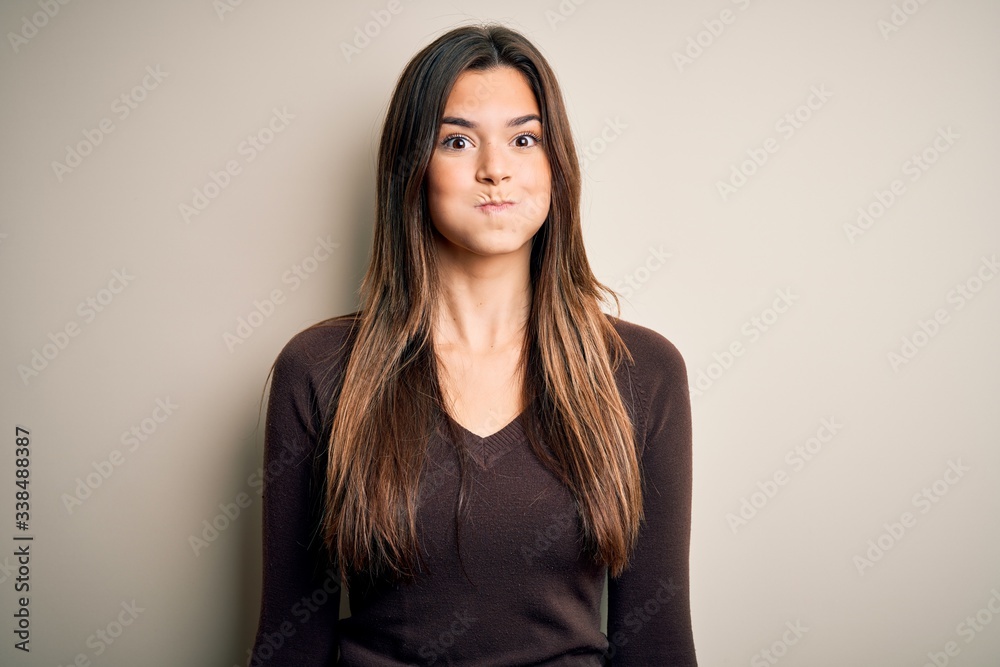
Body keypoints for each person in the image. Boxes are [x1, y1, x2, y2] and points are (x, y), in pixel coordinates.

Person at [250, 23, 696, 666]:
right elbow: (290, 643)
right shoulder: (319, 371)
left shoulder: (642, 373)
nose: (495, 169)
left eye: (524, 138)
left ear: (555, 164)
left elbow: (658, 645)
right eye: (457, 141)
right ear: (412, 168)